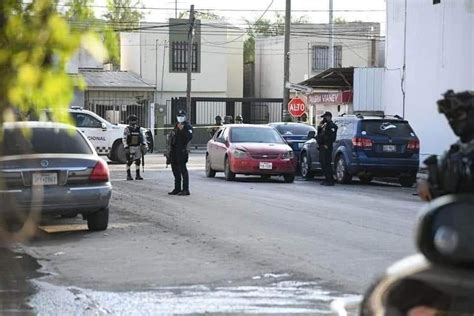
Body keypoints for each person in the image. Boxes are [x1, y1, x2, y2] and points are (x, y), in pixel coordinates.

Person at [418, 90, 474, 201]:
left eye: (458, 115)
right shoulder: (454, 152)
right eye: (449, 117)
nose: (452, 120)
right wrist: (427, 185)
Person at [168, 110, 193, 196]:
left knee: (183, 170)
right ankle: (177, 188)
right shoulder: (176, 125)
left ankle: (185, 189)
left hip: (182, 151)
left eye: (181, 116)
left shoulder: (187, 126)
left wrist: (182, 130)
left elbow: (188, 138)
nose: (180, 118)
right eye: (179, 116)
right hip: (174, 151)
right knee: (175, 170)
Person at [123, 114, 147, 181]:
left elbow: (142, 137)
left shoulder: (139, 129)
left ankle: (138, 175)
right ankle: (128, 175)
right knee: (129, 161)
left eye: (134, 120)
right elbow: (124, 138)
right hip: (130, 147)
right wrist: (126, 147)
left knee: (138, 161)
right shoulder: (127, 129)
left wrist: (143, 144)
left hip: (137, 146)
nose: (133, 122)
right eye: (131, 121)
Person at [316, 111, 338, 186]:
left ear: (329, 117)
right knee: (323, 163)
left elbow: (332, 137)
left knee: (327, 163)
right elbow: (320, 134)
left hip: (327, 146)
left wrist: (326, 144)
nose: (324, 119)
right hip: (322, 146)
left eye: (325, 117)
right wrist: (319, 127)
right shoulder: (324, 125)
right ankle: (326, 179)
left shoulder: (332, 126)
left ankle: (330, 180)